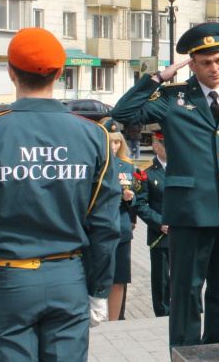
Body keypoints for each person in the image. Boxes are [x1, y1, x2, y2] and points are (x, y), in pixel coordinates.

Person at [0, 28, 120, 360]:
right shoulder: (93, 136)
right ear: (59, 73)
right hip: (68, 277)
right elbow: (106, 224)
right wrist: (99, 290)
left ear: (10, 71)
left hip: (9, 278)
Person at [111, 22, 219, 349]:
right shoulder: (172, 98)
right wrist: (158, 78)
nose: (215, 68)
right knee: (187, 291)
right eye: (206, 63)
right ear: (192, 63)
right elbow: (123, 112)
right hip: (189, 213)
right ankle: (187, 355)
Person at [100, 118, 136, 321]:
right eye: (110, 142)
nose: (114, 146)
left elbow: (136, 194)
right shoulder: (94, 164)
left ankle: (114, 322)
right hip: (98, 228)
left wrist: (131, 197)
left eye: (117, 142)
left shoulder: (127, 166)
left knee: (119, 278)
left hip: (121, 228)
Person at [133, 130, 171, 316]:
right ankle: (163, 313)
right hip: (161, 234)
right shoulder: (145, 171)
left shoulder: (184, 166)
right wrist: (160, 223)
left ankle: (190, 309)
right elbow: (140, 204)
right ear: (155, 145)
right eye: (165, 143)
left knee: (186, 276)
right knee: (161, 278)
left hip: (185, 232)